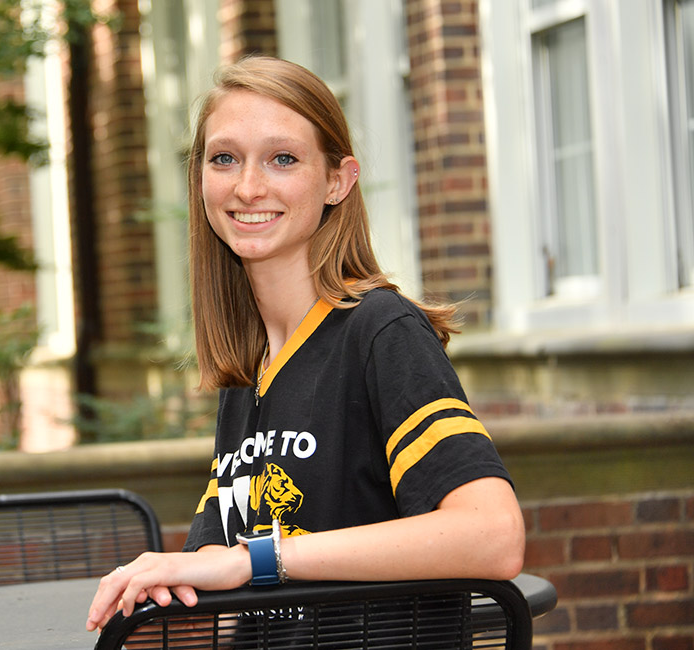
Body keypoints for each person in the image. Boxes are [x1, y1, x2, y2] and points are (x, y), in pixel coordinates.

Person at [85, 55, 525, 634]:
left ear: (338, 181)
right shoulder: (251, 366)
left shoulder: (380, 331)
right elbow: (214, 565)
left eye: (283, 159)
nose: (248, 186)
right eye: (224, 159)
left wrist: (258, 560)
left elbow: (493, 536)